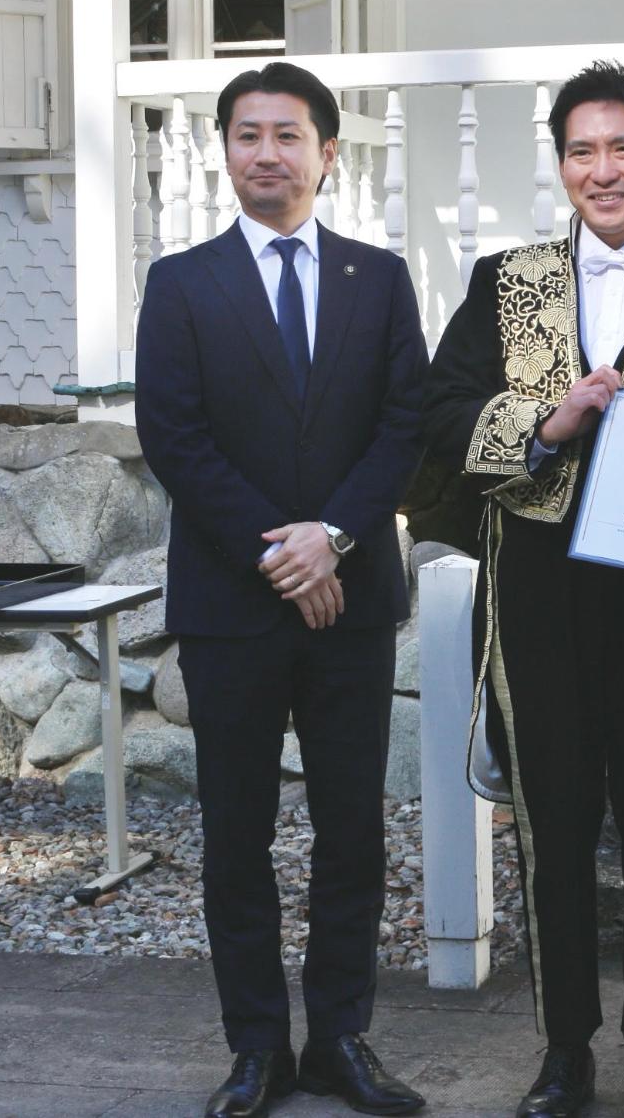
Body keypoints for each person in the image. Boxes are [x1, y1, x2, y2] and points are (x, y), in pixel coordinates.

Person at [420, 61, 624, 1118]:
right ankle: (564, 1049)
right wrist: (546, 424)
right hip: (537, 593)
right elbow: (434, 424)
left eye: (622, 149)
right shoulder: (502, 280)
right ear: (558, 164)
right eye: (579, 150)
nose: (601, 170)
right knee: (554, 825)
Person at [136, 60, 429, 1118]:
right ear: (226, 151)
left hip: (351, 602)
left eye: (288, 134)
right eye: (248, 134)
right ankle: (256, 1047)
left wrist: (335, 538)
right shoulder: (182, 283)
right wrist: (281, 551)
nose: (267, 151)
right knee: (238, 831)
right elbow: (172, 434)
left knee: (353, 830)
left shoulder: (378, 278)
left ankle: (342, 1039)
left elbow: (406, 422)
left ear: (327, 152)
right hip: (232, 602)